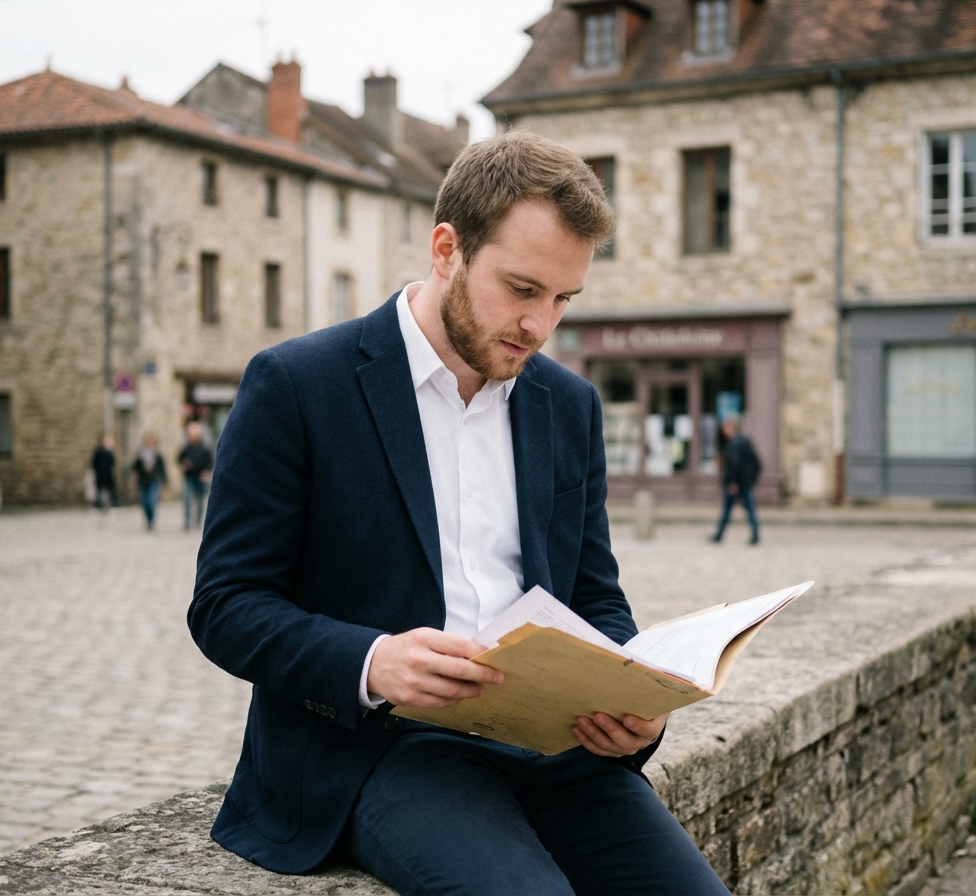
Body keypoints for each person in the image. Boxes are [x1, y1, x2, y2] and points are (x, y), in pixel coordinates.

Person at [187, 131, 730, 895]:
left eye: (563, 300)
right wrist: (375, 662)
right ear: (447, 248)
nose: (540, 326)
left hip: (553, 746)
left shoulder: (568, 405)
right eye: (522, 288)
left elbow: (594, 595)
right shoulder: (297, 384)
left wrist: (633, 702)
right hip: (382, 749)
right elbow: (225, 606)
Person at [709, 413, 762, 545]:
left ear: (732, 427)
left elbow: (734, 464)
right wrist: (751, 479)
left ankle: (720, 534)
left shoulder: (734, 444)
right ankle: (755, 534)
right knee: (749, 509)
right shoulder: (744, 442)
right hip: (744, 482)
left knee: (728, 509)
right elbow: (756, 463)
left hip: (736, 483)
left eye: (725, 427)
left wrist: (733, 482)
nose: (723, 430)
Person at [177, 422, 213, 531]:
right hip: (189, 476)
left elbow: (209, 462)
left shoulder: (205, 448)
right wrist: (184, 464)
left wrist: (206, 471)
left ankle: (198, 520)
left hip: (200, 476)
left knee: (200, 500)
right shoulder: (186, 448)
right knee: (187, 497)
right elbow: (179, 458)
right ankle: (187, 521)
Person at [131, 434, 167, 530]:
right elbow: (134, 467)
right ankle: (148, 519)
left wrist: (164, 481)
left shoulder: (158, 456)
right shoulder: (141, 455)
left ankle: (152, 520)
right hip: (143, 481)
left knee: (151, 501)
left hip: (153, 481)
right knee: (144, 502)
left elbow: (162, 469)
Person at [90, 435, 116, 510]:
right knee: (103, 490)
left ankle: (99, 505)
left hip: (103, 474)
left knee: (103, 490)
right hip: (104, 473)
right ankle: (99, 505)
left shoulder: (105, 451)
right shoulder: (102, 451)